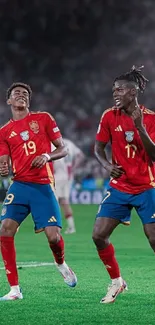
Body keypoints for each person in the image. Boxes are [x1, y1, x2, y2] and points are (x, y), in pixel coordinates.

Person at [0, 82, 77, 301]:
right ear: (9, 101)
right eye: (17, 94)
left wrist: (47, 156)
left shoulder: (43, 118)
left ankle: (61, 264)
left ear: (29, 101)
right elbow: (4, 165)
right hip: (20, 185)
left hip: (43, 184)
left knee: (53, 237)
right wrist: (3, 169)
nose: (21, 95)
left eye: (25, 94)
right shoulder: (4, 131)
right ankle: (15, 289)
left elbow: (63, 148)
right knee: (5, 229)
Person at [92, 66, 155, 304]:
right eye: (113, 90)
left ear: (133, 92)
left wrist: (140, 127)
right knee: (99, 235)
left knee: (154, 238)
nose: (115, 94)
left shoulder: (150, 118)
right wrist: (107, 166)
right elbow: (98, 148)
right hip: (119, 187)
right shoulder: (109, 116)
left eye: (119, 90)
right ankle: (117, 282)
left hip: (146, 186)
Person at [52, 139, 85, 234]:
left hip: (58, 176)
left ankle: (55, 227)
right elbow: (81, 156)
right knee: (64, 201)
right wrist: (74, 167)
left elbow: (51, 159)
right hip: (68, 177)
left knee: (54, 201)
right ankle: (71, 227)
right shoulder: (69, 143)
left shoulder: (53, 143)